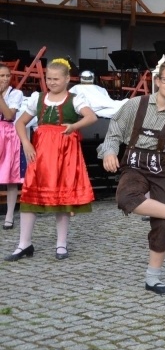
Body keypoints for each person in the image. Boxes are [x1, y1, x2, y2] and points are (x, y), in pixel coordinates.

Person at [98, 60, 165, 295]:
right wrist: (109, 151)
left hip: (162, 169)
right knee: (126, 198)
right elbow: (114, 132)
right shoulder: (135, 105)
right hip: (134, 165)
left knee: (162, 226)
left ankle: (152, 279)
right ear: (158, 81)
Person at [4, 58, 97, 262]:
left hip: (64, 154)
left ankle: (61, 243)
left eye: (56, 79)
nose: (52, 82)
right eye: (49, 78)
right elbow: (20, 123)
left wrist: (74, 126)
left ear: (66, 79)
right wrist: (27, 144)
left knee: (61, 197)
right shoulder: (38, 98)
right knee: (30, 195)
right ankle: (24, 243)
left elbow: (91, 117)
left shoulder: (75, 99)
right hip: (41, 154)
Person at [0, 64, 25, 230]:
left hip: (7, 134)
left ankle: (9, 215)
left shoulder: (15, 93)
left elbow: (9, 115)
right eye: (1, 76)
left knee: (10, 177)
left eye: (7, 76)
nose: (5, 79)